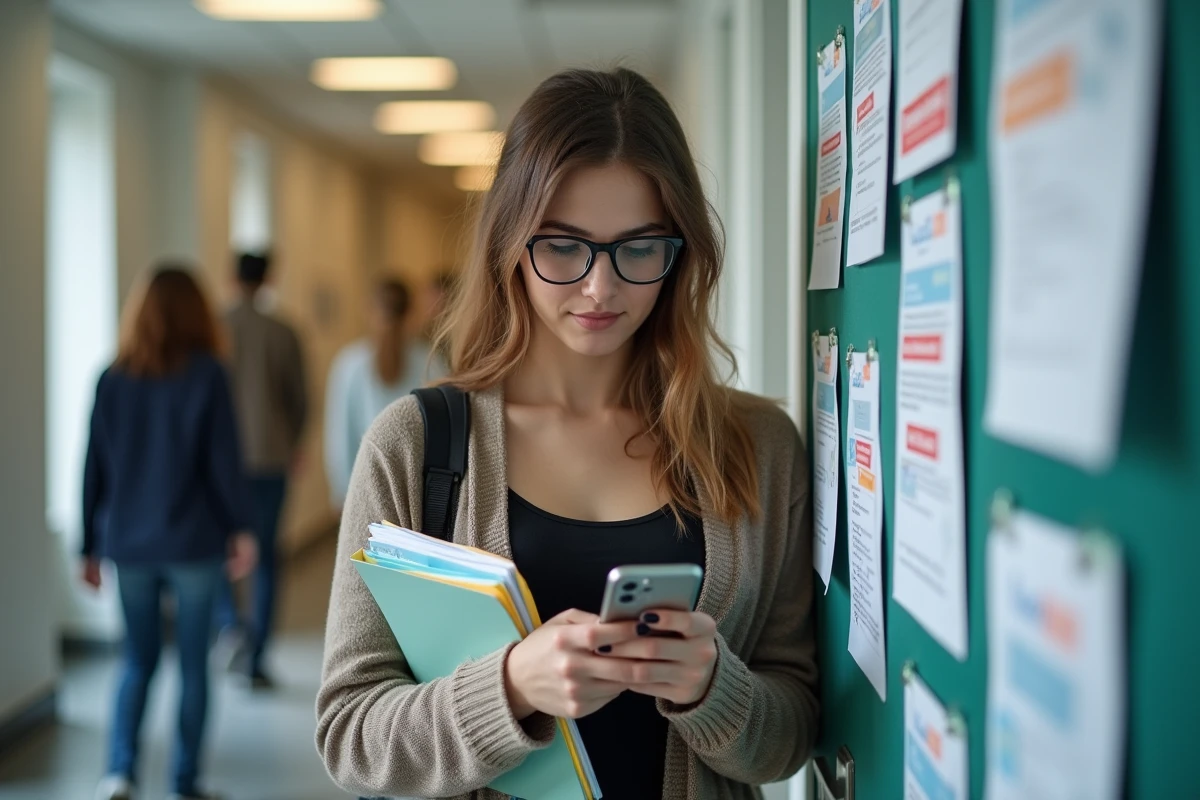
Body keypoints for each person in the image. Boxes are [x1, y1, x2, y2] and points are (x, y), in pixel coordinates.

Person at [316, 67, 818, 799]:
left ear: (683, 255)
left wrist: (716, 689)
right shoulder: (415, 445)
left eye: (639, 248)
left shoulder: (760, 447)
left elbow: (795, 730)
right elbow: (351, 737)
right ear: (511, 247)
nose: (599, 288)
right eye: (563, 246)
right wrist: (511, 687)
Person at [83, 265, 258, 800]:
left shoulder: (112, 377)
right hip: (193, 542)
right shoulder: (207, 375)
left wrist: (86, 546)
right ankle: (185, 779)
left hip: (128, 545)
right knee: (192, 666)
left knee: (136, 661)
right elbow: (222, 462)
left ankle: (121, 771)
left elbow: (93, 469)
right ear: (195, 313)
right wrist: (242, 527)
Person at [216, 251, 308, 689]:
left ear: (233, 278)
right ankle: (255, 657)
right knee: (267, 556)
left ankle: (231, 624)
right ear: (268, 278)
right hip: (271, 458)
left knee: (220, 551)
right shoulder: (283, 331)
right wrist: (293, 442)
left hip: (223, 463)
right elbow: (300, 397)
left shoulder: (215, 327)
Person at [324, 278, 447, 508]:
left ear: (369, 310)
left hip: (363, 494)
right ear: (411, 312)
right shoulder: (431, 363)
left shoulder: (348, 365)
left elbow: (340, 437)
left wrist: (341, 493)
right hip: (419, 498)